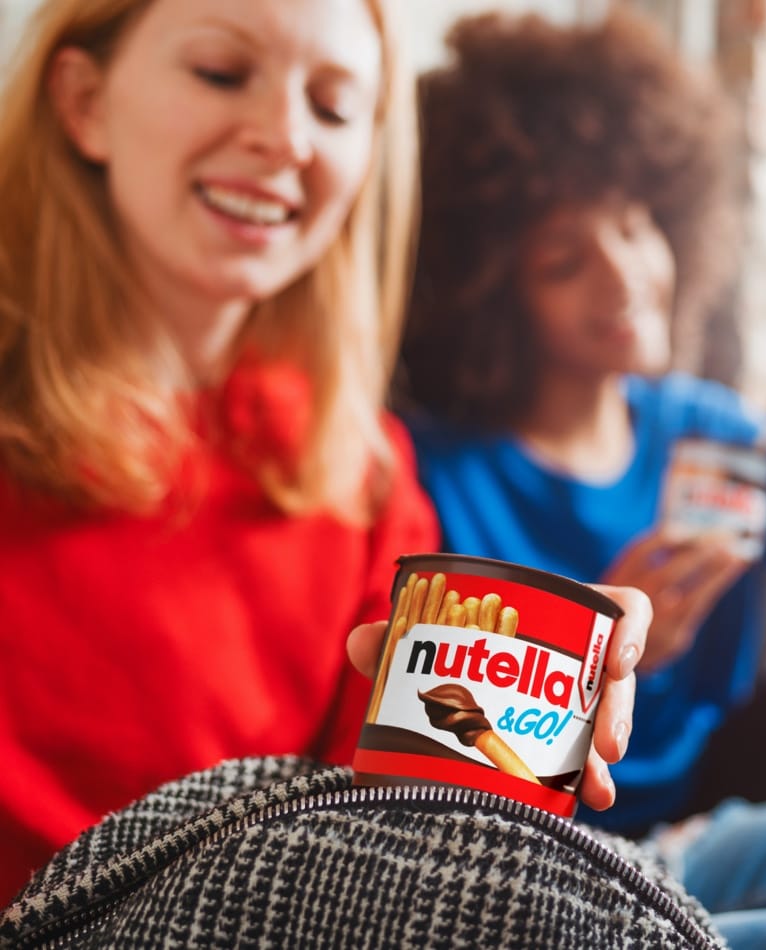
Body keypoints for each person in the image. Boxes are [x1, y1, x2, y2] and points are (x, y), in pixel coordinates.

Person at [0, 0, 645, 907]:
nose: (285, 139)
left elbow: (411, 833)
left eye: (335, 108)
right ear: (84, 103)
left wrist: (545, 715)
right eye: (222, 74)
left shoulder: (358, 463)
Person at [399, 8, 766, 947]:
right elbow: (454, 793)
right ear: (488, 293)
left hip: (728, 794)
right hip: (562, 840)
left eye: (634, 226)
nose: (623, 278)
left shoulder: (703, 431)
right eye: (564, 262)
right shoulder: (436, 475)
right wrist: (603, 666)